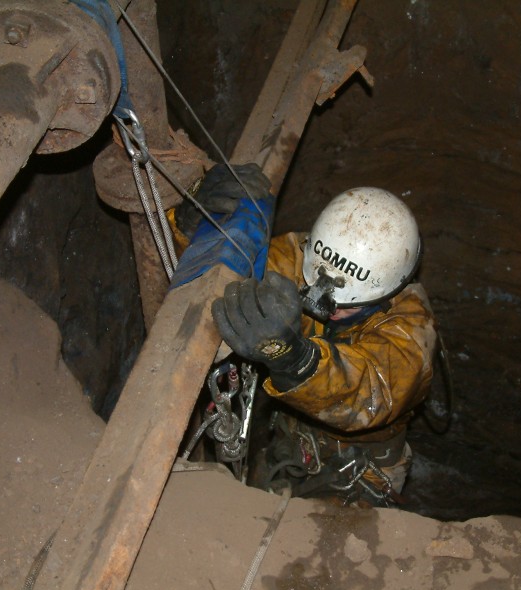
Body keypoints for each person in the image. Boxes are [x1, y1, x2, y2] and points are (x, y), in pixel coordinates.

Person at [175, 164, 437, 505]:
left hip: (361, 470)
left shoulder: (412, 331)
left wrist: (294, 360)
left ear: (389, 291)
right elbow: (227, 274)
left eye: (346, 304)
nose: (325, 307)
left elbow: (368, 393)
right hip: (291, 441)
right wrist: (191, 226)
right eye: (317, 287)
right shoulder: (303, 257)